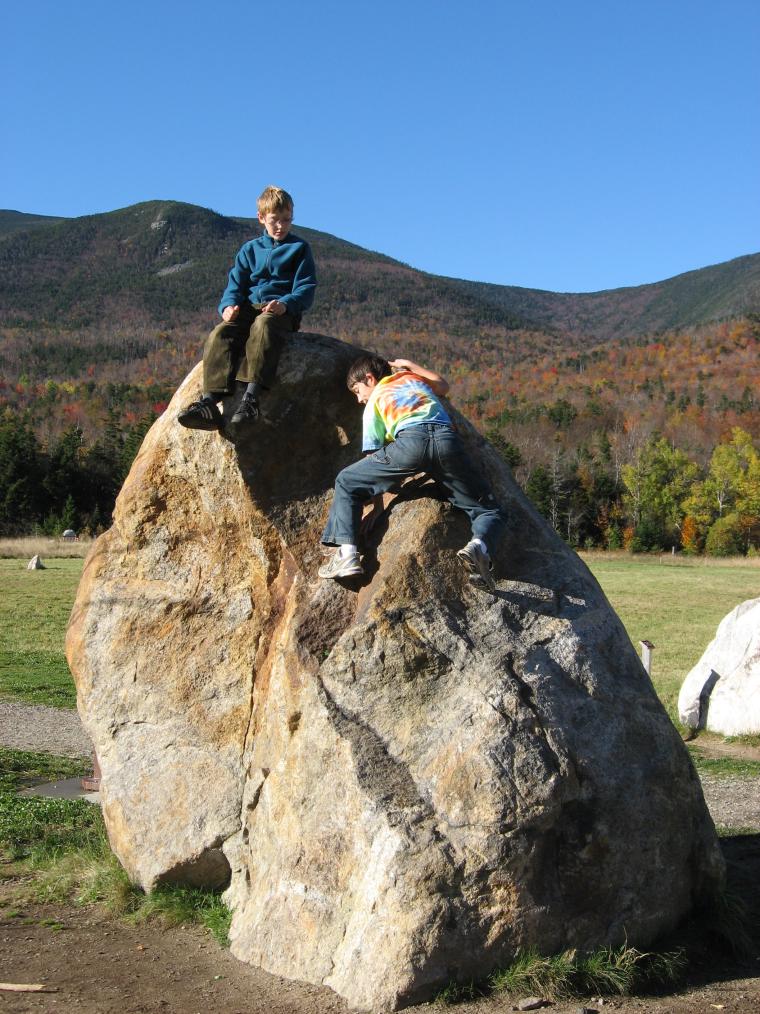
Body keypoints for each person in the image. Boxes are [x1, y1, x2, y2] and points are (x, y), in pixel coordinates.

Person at [319, 354, 504, 589]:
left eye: (357, 390)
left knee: (346, 480)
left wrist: (378, 507)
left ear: (370, 379)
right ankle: (479, 546)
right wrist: (411, 365)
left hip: (411, 444)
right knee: (487, 509)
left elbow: (372, 455)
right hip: (447, 441)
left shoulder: (376, 399)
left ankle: (347, 555)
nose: (358, 399)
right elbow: (442, 386)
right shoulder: (411, 379)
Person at [178, 185, 317, 437]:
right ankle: (210, 402)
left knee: (262, 327)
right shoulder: (249, 250)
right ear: (261, 218)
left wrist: (286, 303)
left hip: (279, 311)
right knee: (221, 333)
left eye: (287, 220)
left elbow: (305, 288)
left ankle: (251, 398)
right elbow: (235, 285)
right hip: (248, 308)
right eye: (275, 220)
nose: (281, 226)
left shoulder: (299, 249)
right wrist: (227, 307)